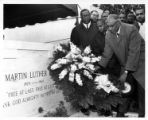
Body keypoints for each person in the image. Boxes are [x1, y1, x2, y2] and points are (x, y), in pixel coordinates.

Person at [96, 14, 145, 117]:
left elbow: (134, 52)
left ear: (119, 22)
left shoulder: (131, 29)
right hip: (125, 64)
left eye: (112, 25)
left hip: (141, 64)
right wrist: (100, 66)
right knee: (123, 90)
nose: (109, 28)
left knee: (142, 92)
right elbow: (107, 53)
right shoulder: (109, 34)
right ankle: (120, 114)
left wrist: (126, 72)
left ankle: (143, 115)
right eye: (108, 26)